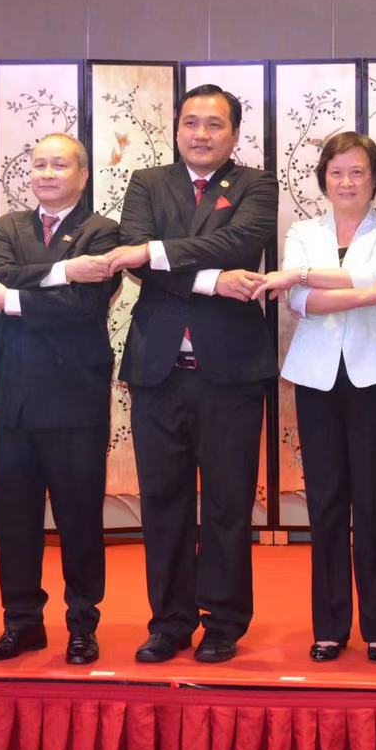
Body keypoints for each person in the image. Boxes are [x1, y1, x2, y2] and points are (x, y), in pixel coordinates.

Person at [104, 85, 277, 665]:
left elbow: (241, 241)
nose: (201, 134)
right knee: (163, 500)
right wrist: (208, 278)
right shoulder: (149, 183)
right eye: (190, 123)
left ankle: (223, 621)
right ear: (176, 128)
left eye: (214, 125)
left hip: (230, 370)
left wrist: (155, 253)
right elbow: (131, 252)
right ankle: (169, 621)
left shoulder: (256, 184)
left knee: (228, 501)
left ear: (234, 133)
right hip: (158, 369)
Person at [252, 132, 376, 665]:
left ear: (374, 179)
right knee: (324, 506)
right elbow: (301, 303)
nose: (346, 182)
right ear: (324, 178)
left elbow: (373, 274)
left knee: (374, 505)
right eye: (337, 172)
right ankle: (329, 626)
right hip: (317, 379)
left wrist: (300, 277)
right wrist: (364, 291)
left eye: (358, 172)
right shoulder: (301, 231)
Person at [0, 133, 120, 667]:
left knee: (80, 520)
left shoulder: (103, 230)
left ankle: (82, 624)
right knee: (15, 521)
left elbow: (84, 306)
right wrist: (58, 273)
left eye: (61, 165)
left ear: (82, 175)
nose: (48, 173)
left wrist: (10, 299)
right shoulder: (7, 226)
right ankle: (22, 625)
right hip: (13, 398)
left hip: (75, 398)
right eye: (39, 164)